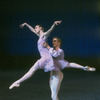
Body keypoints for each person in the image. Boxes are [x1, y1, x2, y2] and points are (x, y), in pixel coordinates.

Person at [9, 21, 61, 89]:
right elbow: (32, 30)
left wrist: (54, 23)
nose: (35, 29)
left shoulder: (44, 35)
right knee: (34, 71)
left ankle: (17, 82)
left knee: (32, 70)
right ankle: (17, 82)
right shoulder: (40, 36)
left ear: (40, 28)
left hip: (45, 58)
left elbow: (50, 30)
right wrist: (26, 24)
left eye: (36, 28)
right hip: (45, 58)